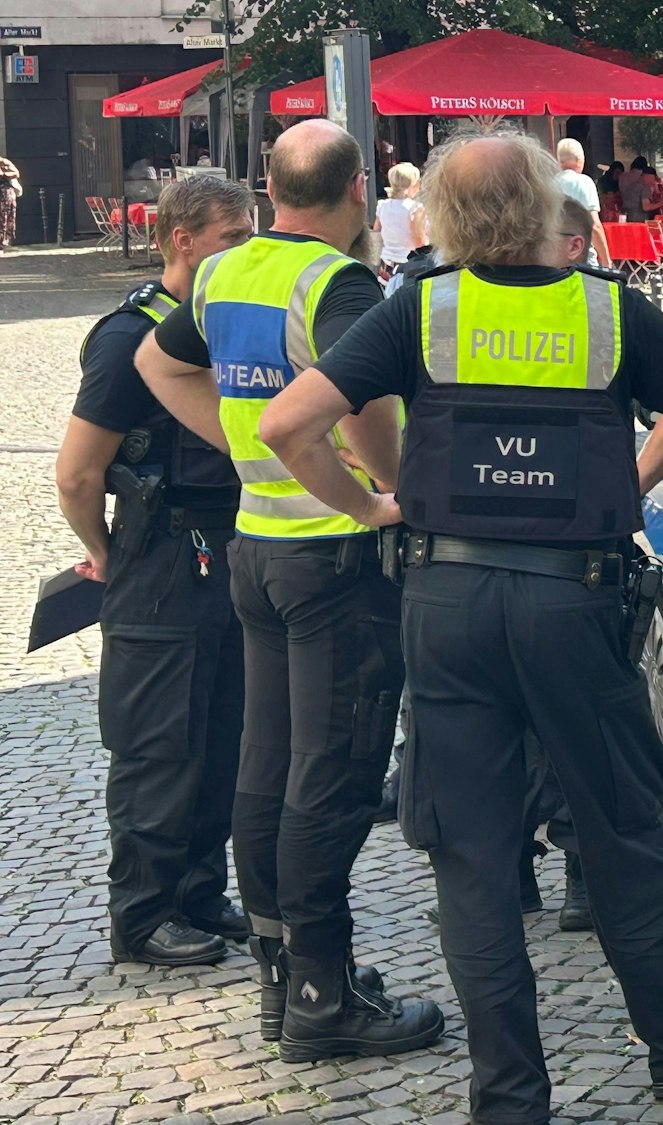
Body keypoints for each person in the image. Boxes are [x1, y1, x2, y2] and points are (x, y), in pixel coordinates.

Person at [254, 130, 663, 1124]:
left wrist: (372, 506)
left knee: (472, 856)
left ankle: (509, 1096)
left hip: (447, 604)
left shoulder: (419, 310)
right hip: (575, 602)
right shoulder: (611, 313)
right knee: (620, 830)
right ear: (541, 208)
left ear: (440, 218)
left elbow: (284, 426)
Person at [134, 118, 445, 1062]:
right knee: (333, 778)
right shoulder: (337, 282)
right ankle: (321, 994)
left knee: (265, 767)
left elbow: (158, 359)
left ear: (268, 193)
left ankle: (284, 982)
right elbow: (370, 404)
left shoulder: (226, 271)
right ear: (359, 196)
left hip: (256, 550)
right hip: (333, 563)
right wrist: (386, 498)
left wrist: (241, 443)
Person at [55, 176, 256, 967]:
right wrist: (104, 552)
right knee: (158, 744)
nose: (247, 248)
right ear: (183, 240)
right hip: (161, 555)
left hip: (227, 551)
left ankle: (200, 893)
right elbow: (76, 473)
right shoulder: (126, 337)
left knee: (222, 734)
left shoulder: (225, 323)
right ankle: (142, 916)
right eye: (233, 236)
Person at [553, 139, 611, 268]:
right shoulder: (583, 182)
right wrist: (607, 261)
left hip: (552, 254)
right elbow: (594, 226)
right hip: (580, 253)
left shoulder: (549, 183)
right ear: (579, 160)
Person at [375, 162, 426, 274]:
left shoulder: (383, 205)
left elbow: (377, 231)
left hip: (386, 263)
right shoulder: (415, 208)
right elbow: (420, 240)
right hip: (408, 263)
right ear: (415, 184)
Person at [619, 157, 651, 223]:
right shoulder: (642, 180)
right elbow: (646, 207)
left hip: (624, 208)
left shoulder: (622, 176)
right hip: (638, 215)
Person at [0, 155, 19, 251]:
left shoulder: (4, 162)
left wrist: (3, 174)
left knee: (4, 218)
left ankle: (3, 243)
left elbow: (16, 173)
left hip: (5, 195)